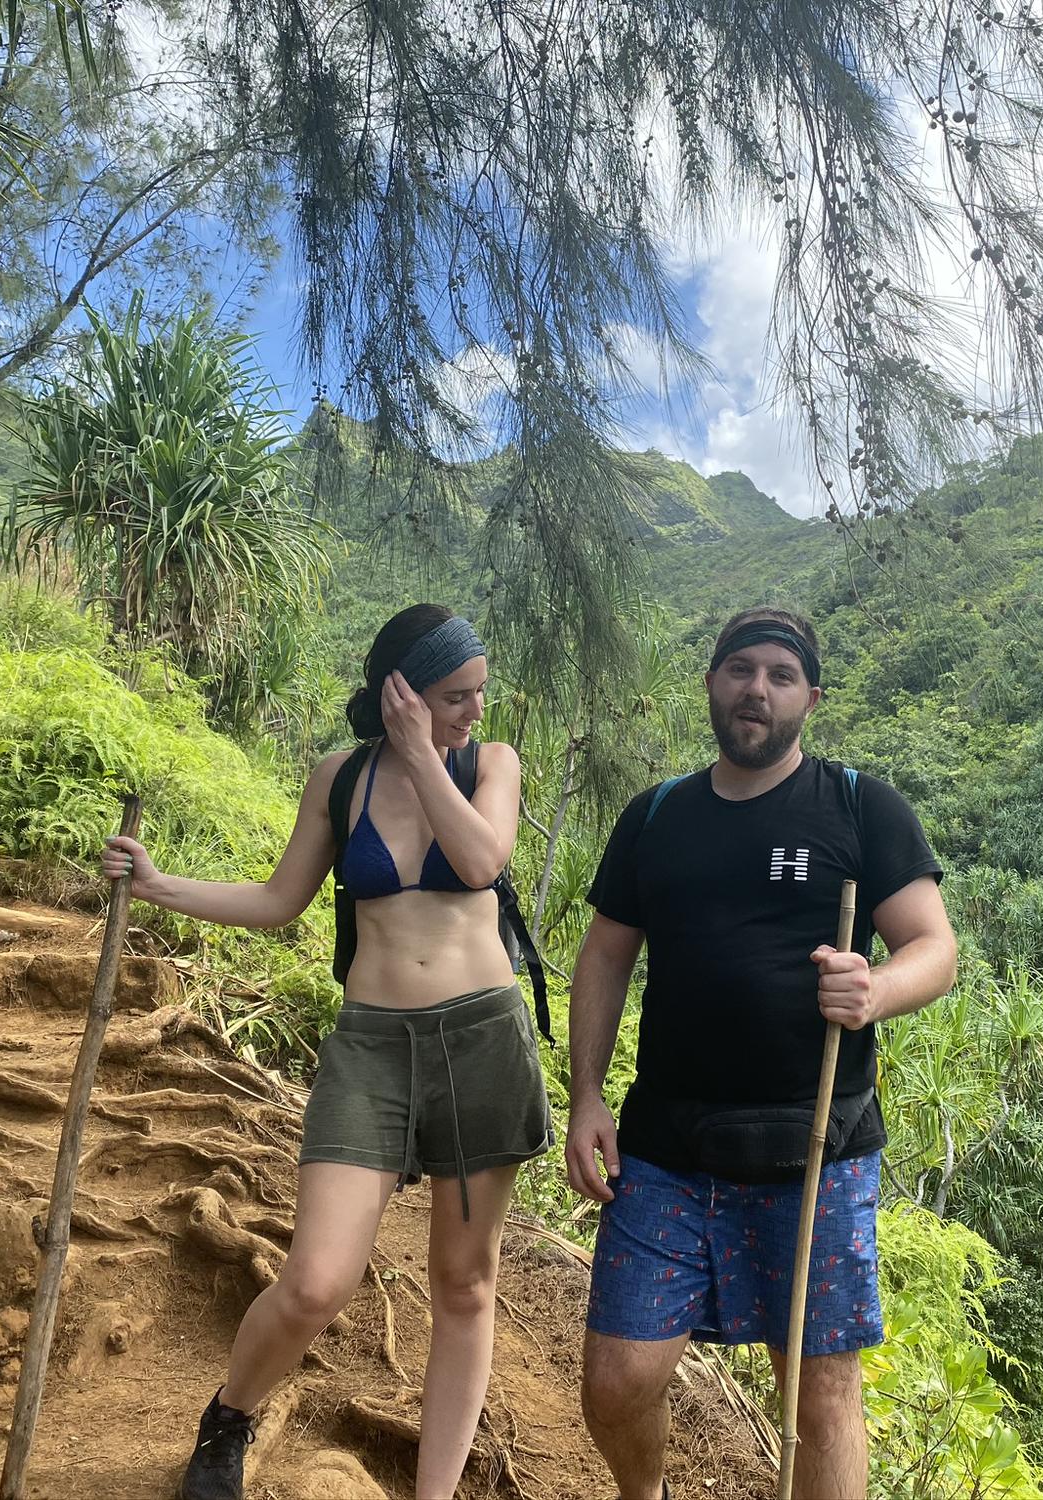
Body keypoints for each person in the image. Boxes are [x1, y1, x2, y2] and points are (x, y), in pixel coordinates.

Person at [101, 605, 552, 1500]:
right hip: (373, 1049)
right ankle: (228, 1420)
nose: (473, 710)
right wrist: (159, 886)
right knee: (314, 1281)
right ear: (403, 693)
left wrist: (427, 753)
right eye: (455, 696)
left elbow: (479, 861)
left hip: (481, 1042)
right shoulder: (339, 780)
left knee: (464, 1287)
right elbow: (278, 900)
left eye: (478, 694)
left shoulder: (487, 764)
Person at [565, 607, 957, 1500]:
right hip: (666, 1150)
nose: (757, 689)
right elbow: (605, 956)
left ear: (810, 698)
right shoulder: (657, 815)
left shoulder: (860, 806)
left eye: (781, 675)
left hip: (816, 1154)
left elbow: (934, 949)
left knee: (818, 1398)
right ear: (711, 682)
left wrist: (875, 990)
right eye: (741, 669)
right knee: (617, 1380)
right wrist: (587, 1098)